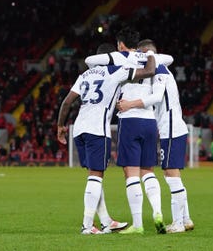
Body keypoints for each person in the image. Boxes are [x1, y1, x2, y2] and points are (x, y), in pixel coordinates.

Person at [57, 42, 156, 235]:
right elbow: (149, 71)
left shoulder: (84, 75)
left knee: (94, 177)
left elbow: (67, 101)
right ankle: (87, 225)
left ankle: (105, 221)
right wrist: (150, 54)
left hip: (79, 129)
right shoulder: (114, 71)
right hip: (97, 130)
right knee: (96, 177)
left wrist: (60, 126)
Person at [117, 39, 193, 234]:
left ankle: (177, 223)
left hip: (170, 128)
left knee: (171, 176)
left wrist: (130, 104)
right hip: (173, 126)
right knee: (174, 175)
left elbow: (157, 98)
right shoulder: (165, 70)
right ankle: (186, 218)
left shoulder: (159, 69)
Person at [111, 28, 165, 235]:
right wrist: (151, 54)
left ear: (121, 44)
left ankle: (138, 224)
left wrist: (128, 104)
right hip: (150, 121)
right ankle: (157, 212)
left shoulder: (120, 59)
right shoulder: (155, 61)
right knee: (148, 171)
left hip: (129, 119)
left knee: (130, 172)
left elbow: (92, 62)